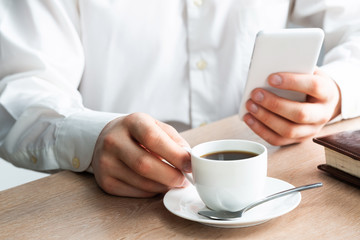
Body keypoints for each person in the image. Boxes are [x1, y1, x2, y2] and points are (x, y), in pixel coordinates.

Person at [0, 1, 359, 197]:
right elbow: (19, 85)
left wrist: (337, 89)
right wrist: (91, 137)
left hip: (271, 182)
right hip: (117, 204)